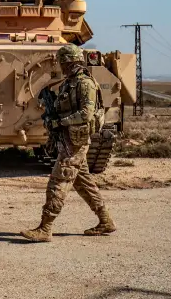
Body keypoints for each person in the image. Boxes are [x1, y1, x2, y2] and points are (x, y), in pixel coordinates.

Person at [20, 44, 116, 242]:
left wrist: (59, 122)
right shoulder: (69, 82)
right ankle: (105, 221)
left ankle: (45, 228)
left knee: (59, 179)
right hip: (69, 138)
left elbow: (85, 114)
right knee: (83, 183)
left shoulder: (84, 83)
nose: (61, 67)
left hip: (76, 140)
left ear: (69, 61)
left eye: (63, 63)